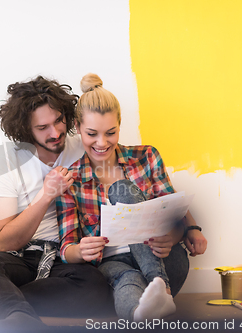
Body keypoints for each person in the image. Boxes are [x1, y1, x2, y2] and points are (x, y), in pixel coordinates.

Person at [0, 76, 114, 328]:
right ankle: (20, 318)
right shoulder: (6, 164)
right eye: (42, 128)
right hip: (22, 258)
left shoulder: (84, 147)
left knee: (96, 285)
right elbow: (5, 242)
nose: (56, 132)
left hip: (66, 258)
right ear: (25, 130)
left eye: (59, 120)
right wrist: (46, 195)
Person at [56, 73, 207, 322]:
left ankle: (160, 287)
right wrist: (80, 251)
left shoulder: (146, 156)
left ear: (120, 125)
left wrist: (171, 236)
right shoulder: (70, 179)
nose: (102, 143)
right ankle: (143, 313)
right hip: (111, 263)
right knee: (127, 280)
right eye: (92, 134)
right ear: (77, 127)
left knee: (122, 190)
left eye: (110, 133)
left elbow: (173, 212)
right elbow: (66, 248)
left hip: (162, 259)